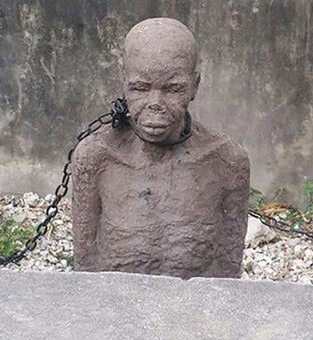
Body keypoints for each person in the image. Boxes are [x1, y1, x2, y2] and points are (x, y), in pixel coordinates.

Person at [71, 18, 249, 278]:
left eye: (173, 89)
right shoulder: (95, 158)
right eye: (140, 88)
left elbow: (228, 271)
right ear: (125, 83)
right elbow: (85, 269)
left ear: (194, 86)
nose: (155, 103)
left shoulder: (226, 161)